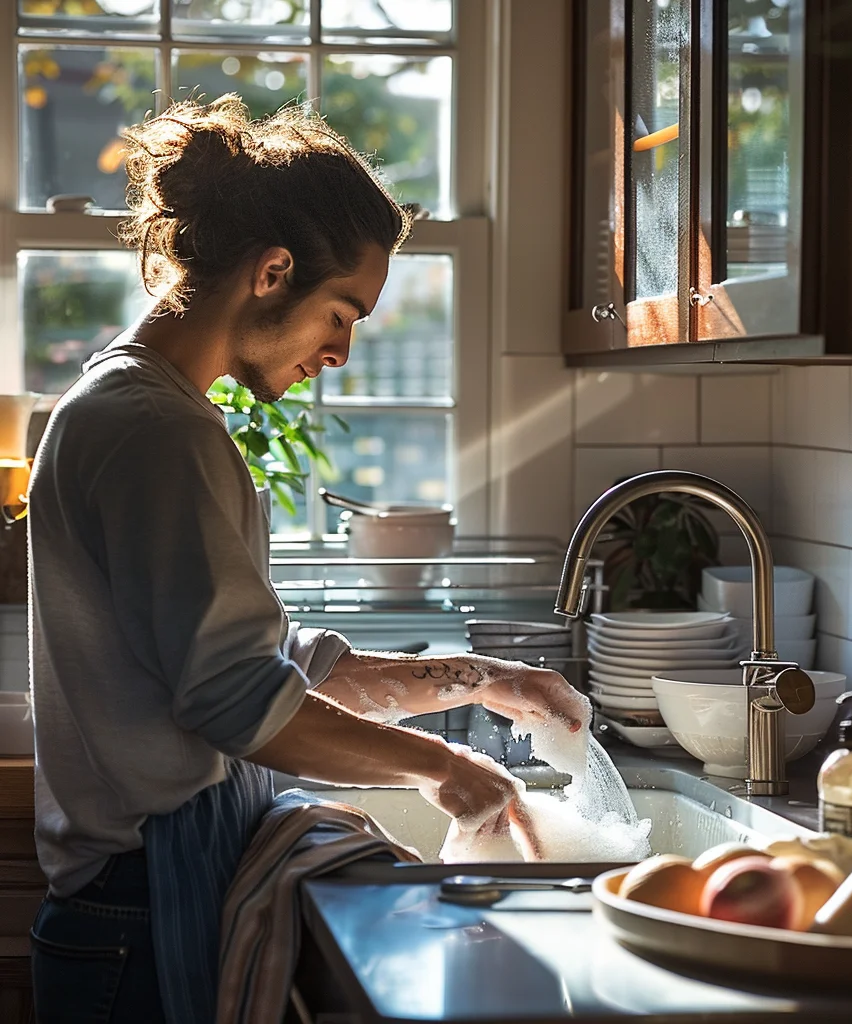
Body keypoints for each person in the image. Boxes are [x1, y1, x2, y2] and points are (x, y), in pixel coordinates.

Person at [27, 95, 587, 1024]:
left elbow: (269, 669)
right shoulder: (152, 428)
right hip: (135, 911)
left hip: (148, 892)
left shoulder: (150, 409)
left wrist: (479, 681)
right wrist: (446, 770)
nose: (343, 350)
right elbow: (244, 707)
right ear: (273, 270)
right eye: (343, 312)